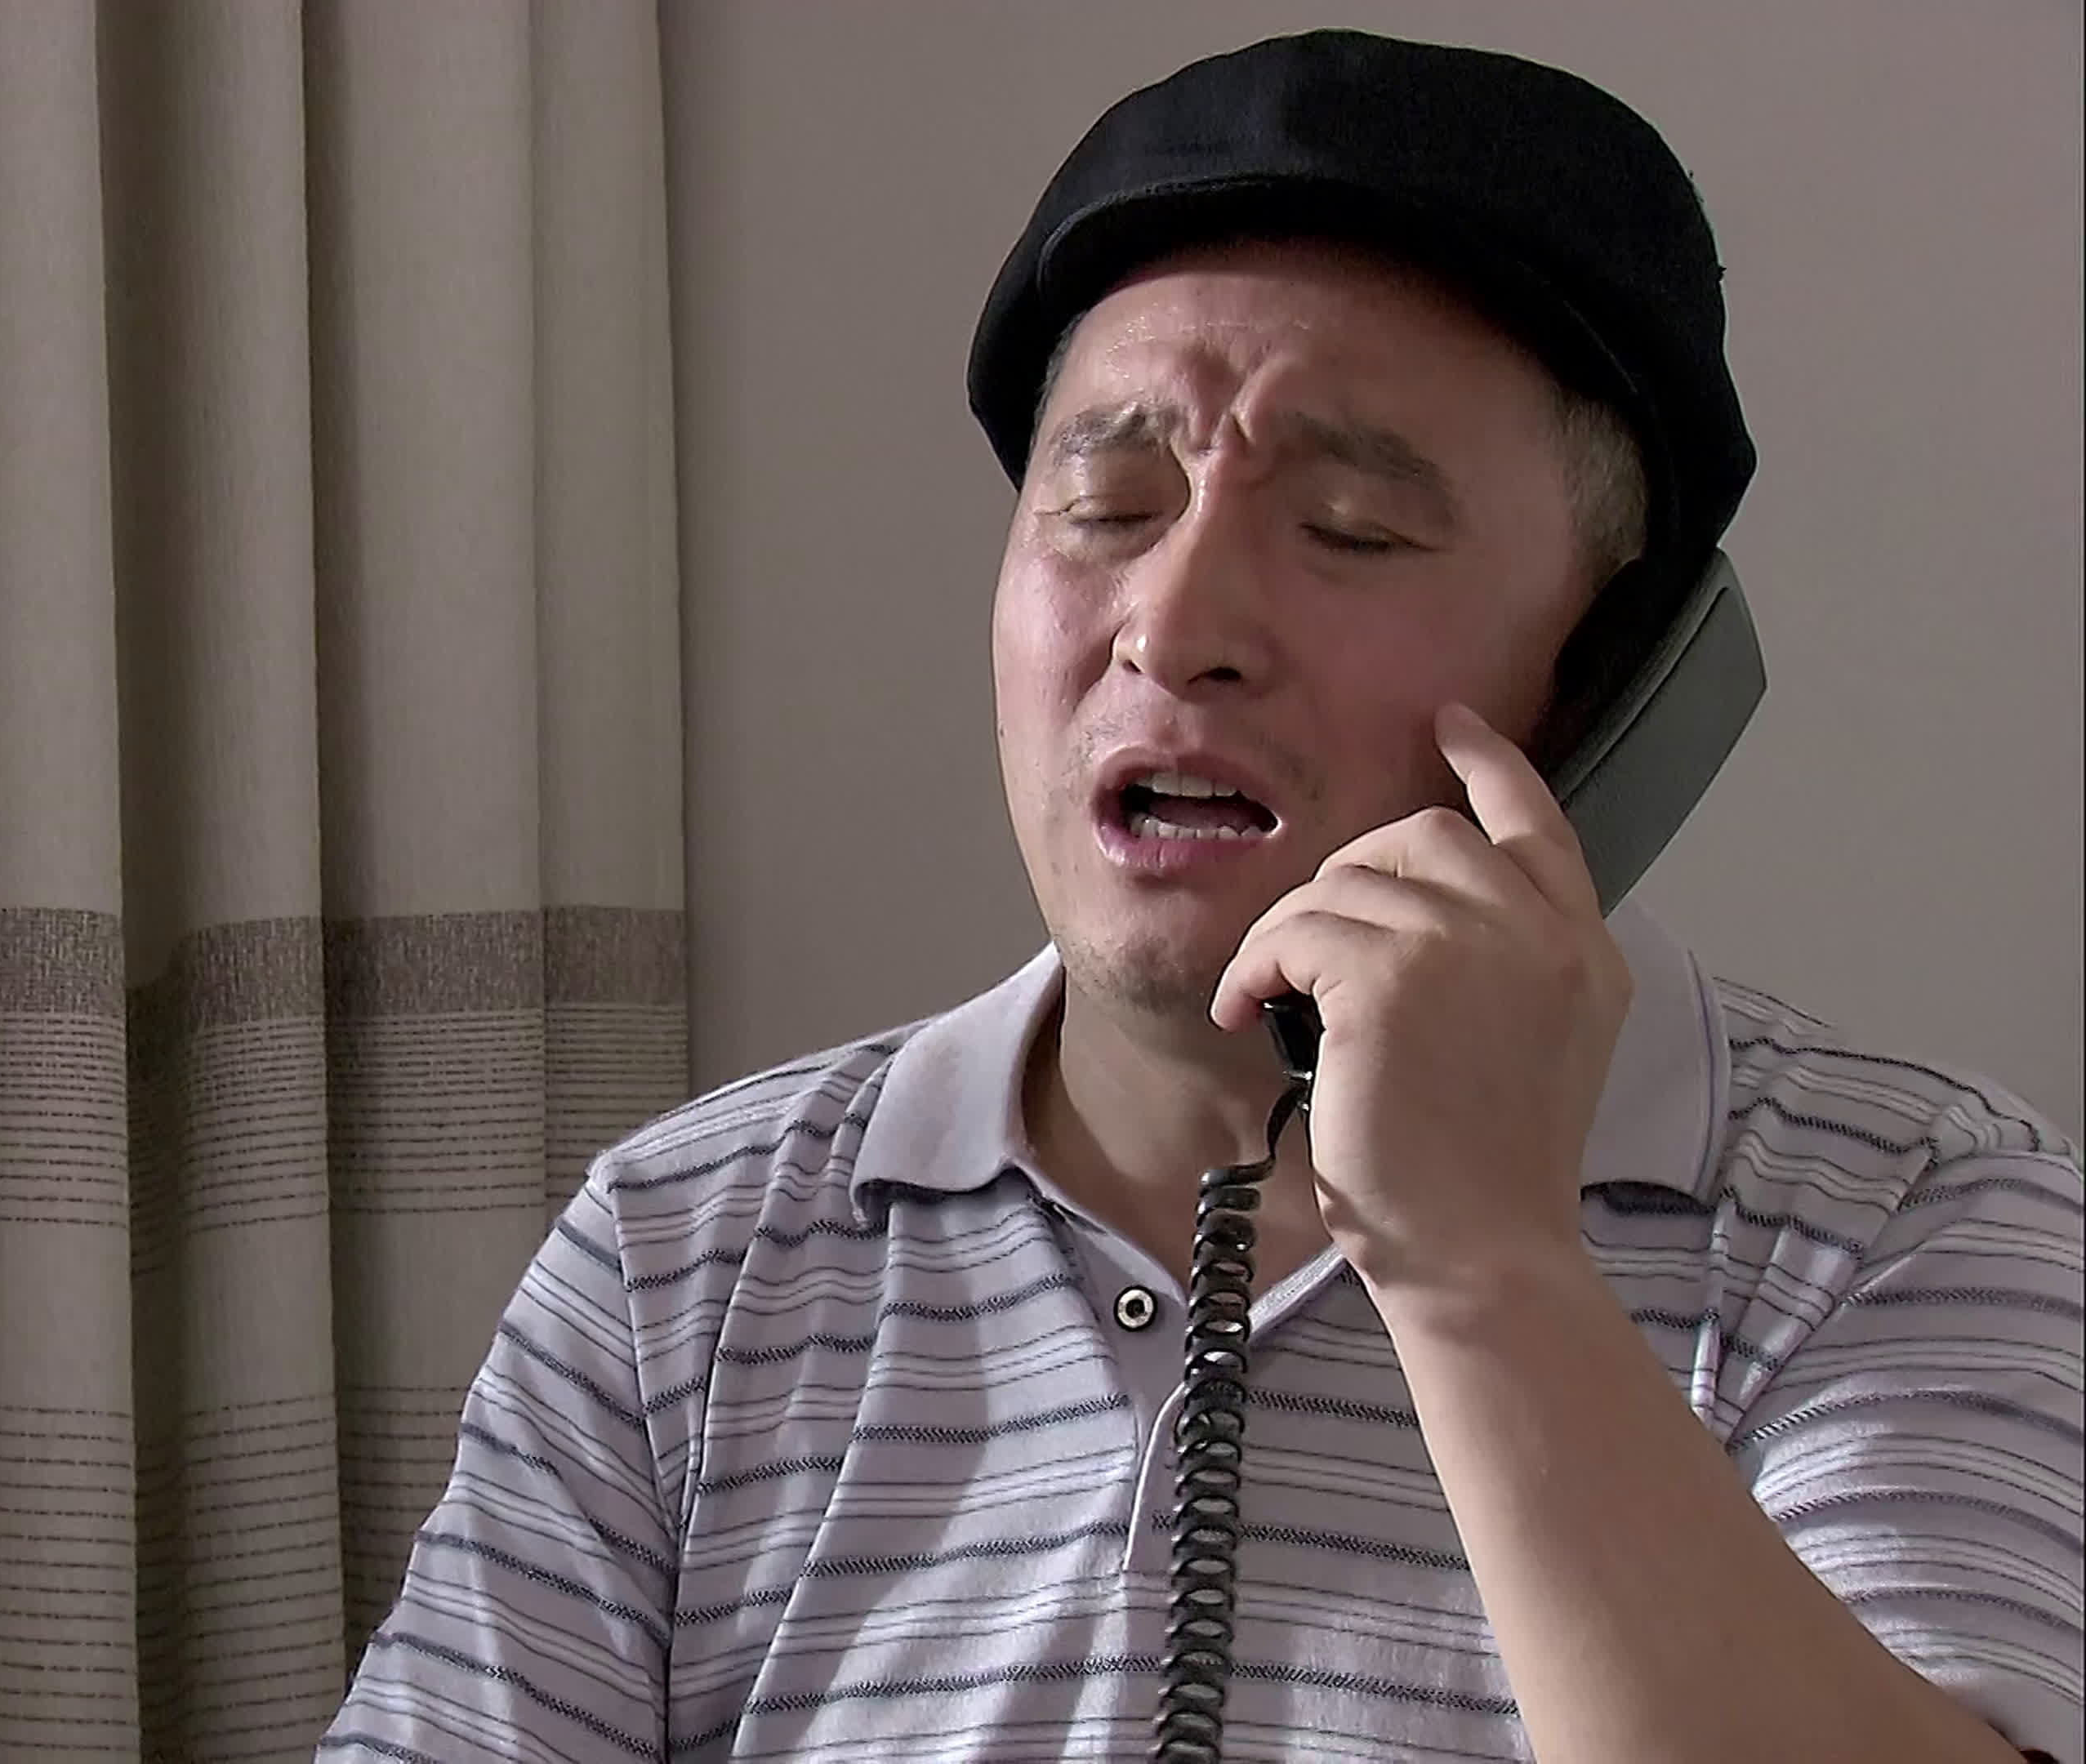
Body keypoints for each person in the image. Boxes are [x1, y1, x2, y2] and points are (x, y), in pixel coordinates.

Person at [319, 29, 2083, 1764]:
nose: (1172, 630)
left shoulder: (1913, 1223)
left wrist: (1483, 1269)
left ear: (1616, 684)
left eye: (1351, 530)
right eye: (1104, 506)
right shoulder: (687, 1255)